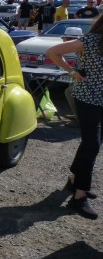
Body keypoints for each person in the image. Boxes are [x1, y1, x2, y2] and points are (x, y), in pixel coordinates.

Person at [46, 15, 103, 220]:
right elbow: (53, 52)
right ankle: (79, 197)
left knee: (92, 144)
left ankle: (74, 180)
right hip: (87, 98)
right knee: (92, 145)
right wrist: (72, 72)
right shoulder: (90, 40)